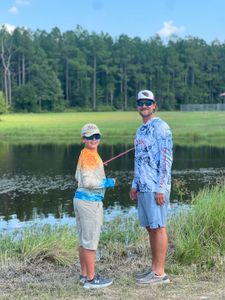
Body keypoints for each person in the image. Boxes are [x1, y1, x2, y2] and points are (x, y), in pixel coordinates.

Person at [130, 90, 173, 285]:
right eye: (140, 102)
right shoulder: (140, 130)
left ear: (154, 105)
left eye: (148, 102)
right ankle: (154, 269)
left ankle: (160, 274)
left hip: (157, 187)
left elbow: (166, 160)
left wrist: (161, 188)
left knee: (159, 227)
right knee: (150, 228)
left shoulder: (161, 127)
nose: (144, 106)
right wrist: (134, 184)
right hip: (143, 186)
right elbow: (138, 159)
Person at [73, 123, 115, 289]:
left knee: (84, 240)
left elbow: (78, 176)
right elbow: (89, 181)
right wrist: (107, 182)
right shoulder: (90, 155)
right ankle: (91, 280)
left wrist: (98, 169)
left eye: (97, 136)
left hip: (79, 199)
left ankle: (84, 275)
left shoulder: (85, 153)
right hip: (90, 202)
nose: (94, 139)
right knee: (90, 241)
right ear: (83, 139)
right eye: (90, 137)